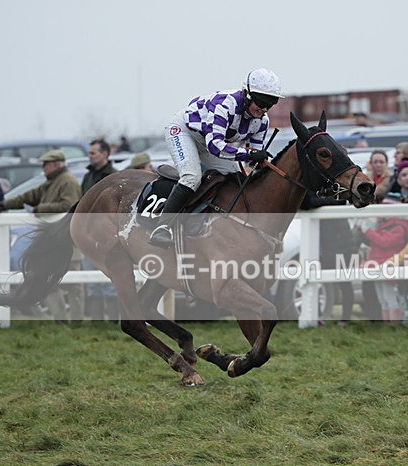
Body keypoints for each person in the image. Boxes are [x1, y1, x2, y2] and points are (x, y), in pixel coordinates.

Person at [149, 68, 283, 247]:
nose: (264, 109)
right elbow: (215, 147)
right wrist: (249, 154)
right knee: (191, 177)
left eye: (270, 104)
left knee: (237, 178)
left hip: (209, 141)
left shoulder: (262, 122)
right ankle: (162, 227)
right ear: (247, 94)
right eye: (261, 102)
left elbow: (253, 157)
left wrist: (261, 163)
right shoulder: (225, 105)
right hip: (184, 132)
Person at [1, 150, 84, 323]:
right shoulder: (51, 183)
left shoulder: (68, 182)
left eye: (45, 164)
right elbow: (28, 196)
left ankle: (76, 321)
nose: (43, 168)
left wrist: (40, 209)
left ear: (56, 164)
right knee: (51, 283)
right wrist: (5, 204)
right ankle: (61, 320)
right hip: (55, 241)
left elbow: (68, 205)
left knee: (74, 284)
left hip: (67, 241)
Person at [300, 190, 356, 326]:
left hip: (341, 241)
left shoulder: (334, 184)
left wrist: (317, 202)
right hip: (321, 243)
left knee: (345, 282)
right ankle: (317, 316)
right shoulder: (313, 186)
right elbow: (306, 203)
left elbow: (340, 200)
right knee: (316, 281)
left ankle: (346, 318)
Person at [356, 194, 408, 323]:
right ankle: (387, 324)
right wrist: (361, 230)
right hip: (376, 265)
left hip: (388, 265)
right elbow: (374, 242)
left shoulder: (400, 227)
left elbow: (384, 242)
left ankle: (394, 325)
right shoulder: (382, 225)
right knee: (382, 300)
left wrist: (368, 231)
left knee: (390, 299)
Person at [80, 139, 119, 320]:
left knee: (110, 279)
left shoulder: (113, 177)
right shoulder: (88, 177)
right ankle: (96, 319)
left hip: (106, 233)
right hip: (88, 233)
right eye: (89, 153)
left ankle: (113, 319)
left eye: (93, 153)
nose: (89, 156)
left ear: (104, 154)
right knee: (92, 279)